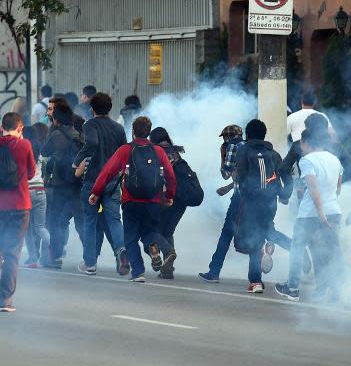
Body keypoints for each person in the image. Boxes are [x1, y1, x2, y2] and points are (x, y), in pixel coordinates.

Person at [89, 116, 177, 282]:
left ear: (133, 132)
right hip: (153, 201)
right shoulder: (158, 151)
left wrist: (96, 191)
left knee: (130, 237)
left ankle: (138, 272)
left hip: (131, 201)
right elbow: (170, 175)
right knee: (149, 232)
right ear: (149, 132)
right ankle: (166, 249)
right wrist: (169, 196)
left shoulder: (126, 150)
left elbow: (108, 172)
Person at [276, 126, 344, 302]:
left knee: (297, 249)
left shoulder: (307, 160)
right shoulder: (334, 159)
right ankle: (336, 292)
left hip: (310, 215)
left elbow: (313, 188)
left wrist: (321, 212)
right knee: (330, 252)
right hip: (334, 212)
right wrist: (328, 207)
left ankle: (292, 288)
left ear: (305, 143)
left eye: (302, 144)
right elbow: (338, 187)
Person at [0, 112, 35, 312]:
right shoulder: (24, 145)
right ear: (20, 128)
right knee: (12, 252)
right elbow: (30, 173)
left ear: (1, 126)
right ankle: (5, 300)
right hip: (19, 205)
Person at [232, 119, 292, 294]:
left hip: (251, 202)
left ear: (247, 135)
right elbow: (284, 175)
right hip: (270, 203)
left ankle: (256, 281)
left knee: (254, 239)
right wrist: (284, 195)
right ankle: (293, 247)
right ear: (264, 134)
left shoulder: (243, 150)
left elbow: (241, 176)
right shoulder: (272, 153)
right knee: (267, 230)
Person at [72, 92, 129, 276]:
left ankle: (90, 263)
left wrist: (77, 159)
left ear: (92, 108)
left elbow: (92, 143)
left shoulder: (89, 125)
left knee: (90, 221)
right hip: (112, 181)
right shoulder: (118, 128)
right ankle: (121, 251)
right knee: (114, 220)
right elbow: (125, 152)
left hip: (92, 180)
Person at [198, 125, 245, 283]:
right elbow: (243, 176)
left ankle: (214, 271)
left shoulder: (232, 147)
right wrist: (228, 188)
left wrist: (222, 155)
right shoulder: (247, 146)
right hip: (254, 198)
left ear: (227, 137)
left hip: (239, 198)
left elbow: (226, 173)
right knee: (260, 232)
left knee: (226, 234)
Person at [41, 101, 85, 268]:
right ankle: (90, 257)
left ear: (57, 119)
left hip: (59, 184)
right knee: (81, 221)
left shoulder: (55, 134)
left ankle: (56, 256)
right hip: (77, 182)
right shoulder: (78, 134)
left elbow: (44, 151)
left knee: (55, 220)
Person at [149, 127, 189, 279]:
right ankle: (168, 269)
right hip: (181, 199)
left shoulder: (157, 152)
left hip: (166, 197)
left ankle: (167, 253)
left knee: (155, 231)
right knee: (168, 231)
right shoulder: (175, 152)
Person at [22, 123, 50, 268]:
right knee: (40, 226)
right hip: (40, 191)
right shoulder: (39, 153)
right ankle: (48, 244)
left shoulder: (21, 151)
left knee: (27, 228)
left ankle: (32, 258)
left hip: (25, 192)